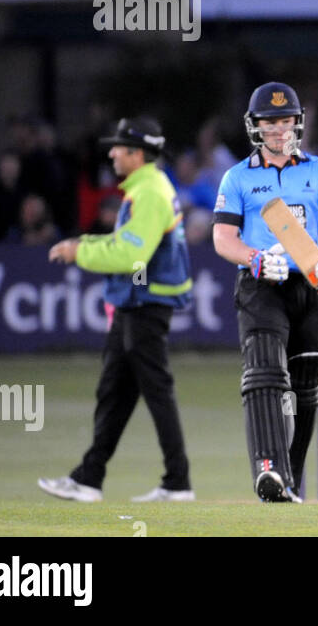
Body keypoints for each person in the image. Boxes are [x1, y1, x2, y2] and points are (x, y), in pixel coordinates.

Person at [212, 82, 318, 503]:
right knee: (264, 371)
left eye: (285, 121)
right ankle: (267, 469)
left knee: (307, 382)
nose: (278, 130)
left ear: (297, 123)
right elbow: (223, 238)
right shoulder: (238, 176)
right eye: (269, 122)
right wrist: (254, 258)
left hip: (312, 283)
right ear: (255, 126)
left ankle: (288, 478)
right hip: (262, 284)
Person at [38, 118, 195, 503]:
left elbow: (131, 254)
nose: (111, 153)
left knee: (153, 391)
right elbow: (130, 246)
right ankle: (90, 478)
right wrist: (87, 243)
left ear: (137, 154)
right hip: (136, 300)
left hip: (145, 302)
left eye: (118, 148)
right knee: (116, 392)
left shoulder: (150, 193)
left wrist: (81, 252)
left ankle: (177, 483)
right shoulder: (144, 188)